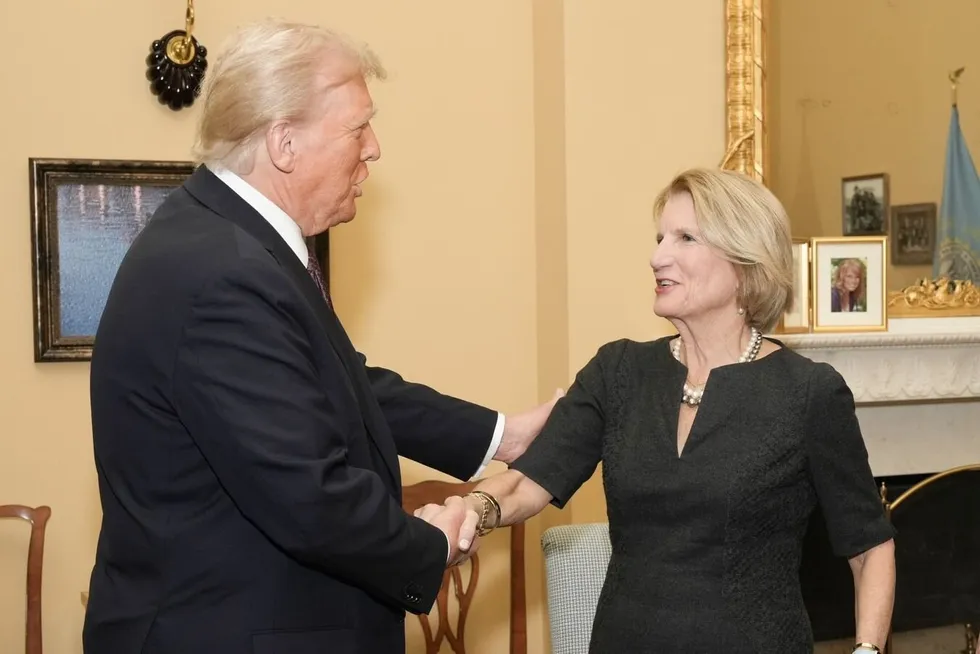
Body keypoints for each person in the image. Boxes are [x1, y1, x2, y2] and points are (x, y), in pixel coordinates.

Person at [82, 19, 558, 654]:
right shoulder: (222, 271)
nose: (375, 149)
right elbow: (309, 496)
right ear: (284, 144)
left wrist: (503, 435)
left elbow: (341, 382)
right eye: (358, 127)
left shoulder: (226, 240)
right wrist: (434, 543)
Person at [446, 168, 896, 653]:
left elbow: (870, 547)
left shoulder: (808, 392)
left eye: (685, 238)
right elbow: (527, 480)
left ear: (746, 262)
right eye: (660, 237)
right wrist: (475, 508)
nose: (657, 256)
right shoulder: (618, 371)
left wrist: (867, 650)